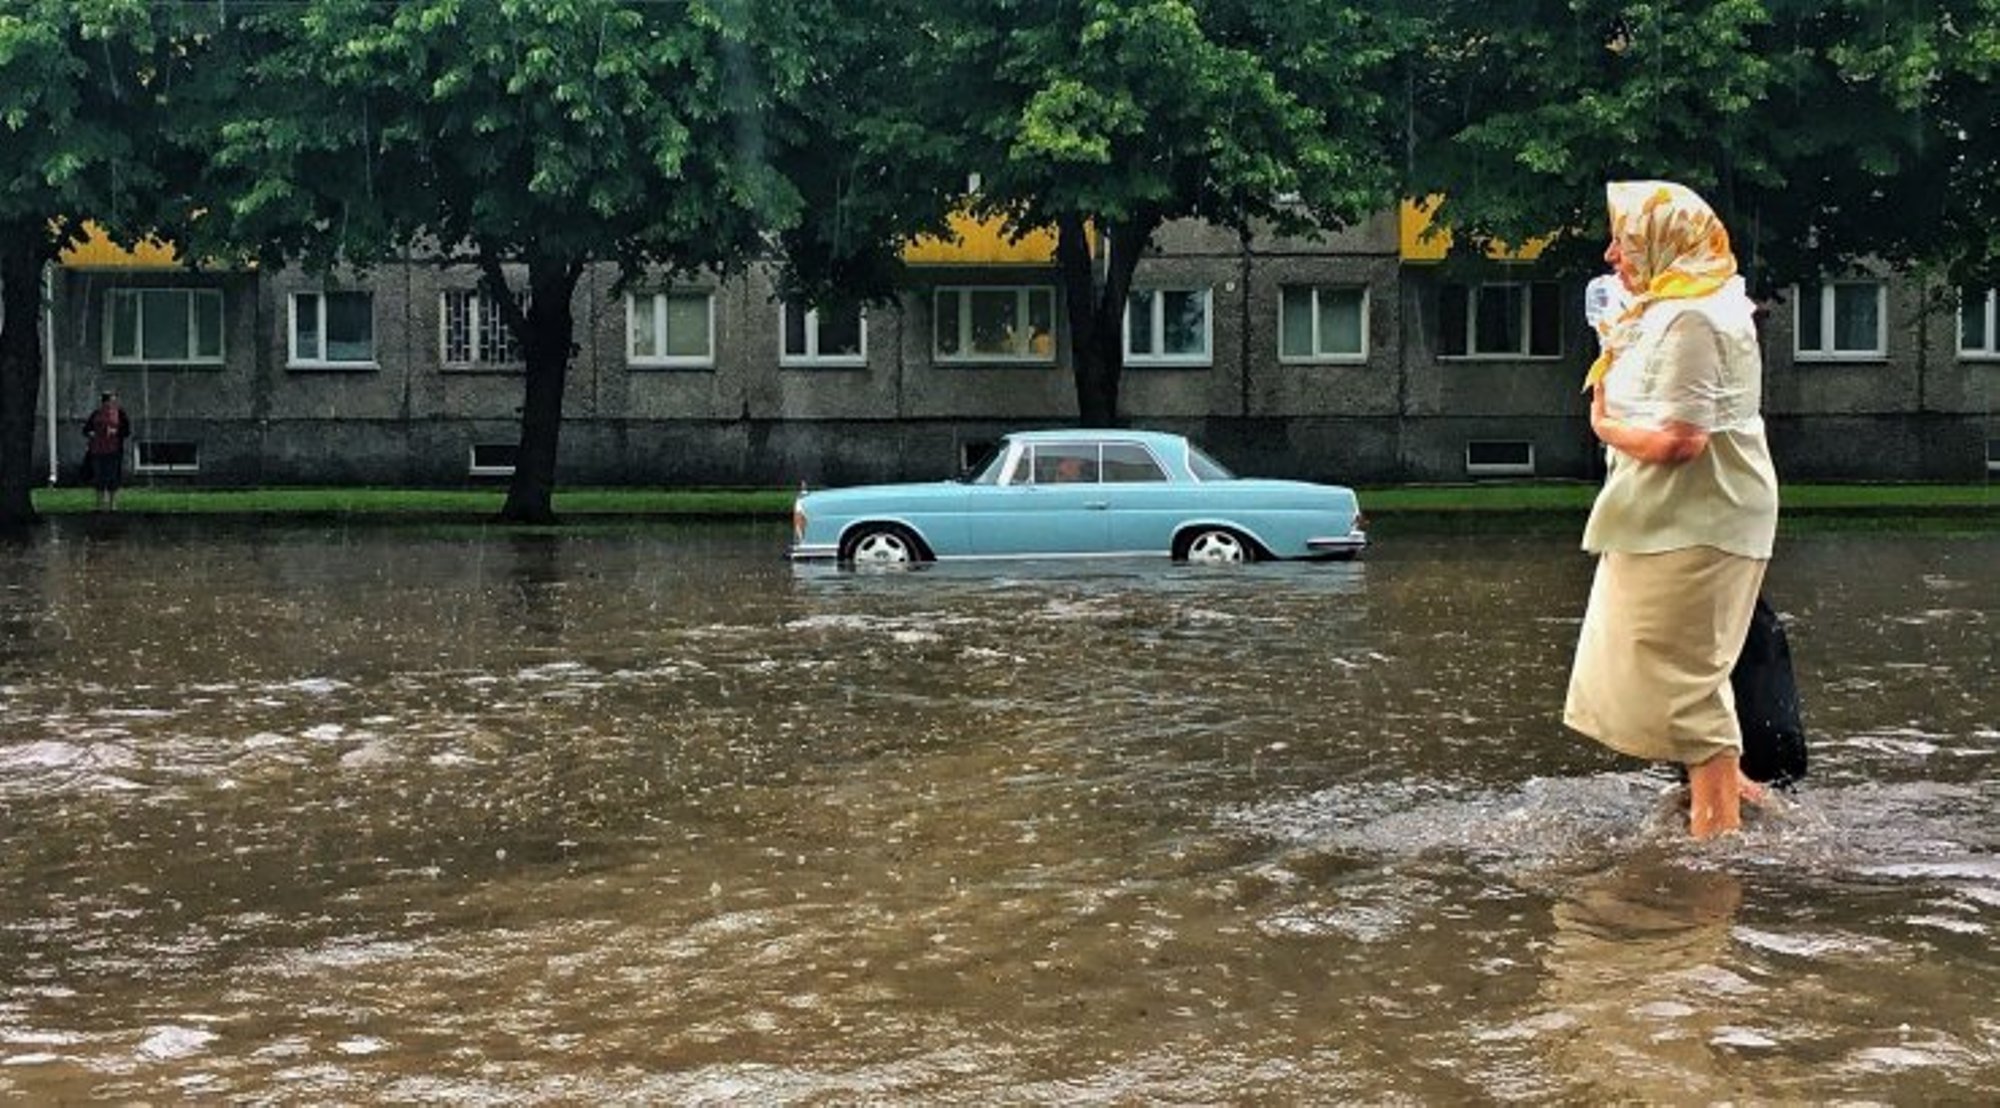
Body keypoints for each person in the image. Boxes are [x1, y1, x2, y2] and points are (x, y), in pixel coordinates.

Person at [1563, 181, 1780, 840]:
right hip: (1677, 516)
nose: (1610, 254)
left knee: (1681, 675)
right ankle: (1730, 787)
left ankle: (1716, 841)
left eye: (1623, 241)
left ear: (1666, 243)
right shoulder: (1684, 306)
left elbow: (1682, 441)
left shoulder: (1692, 317)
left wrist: (1603, 429)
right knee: (1653, 657)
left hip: (1698, 516)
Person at [81, 391, 132, 512]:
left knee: (112, 477)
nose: (112, 403)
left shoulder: (120, 414)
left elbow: (127, 431)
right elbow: (86, 429)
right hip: (97, 450)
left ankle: (113, 504)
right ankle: (99, 504)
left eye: (114, 401)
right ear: (104, 402)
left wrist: (116, 432)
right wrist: (91, 433)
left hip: (113, 450)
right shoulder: (96, 414)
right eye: (110, 401)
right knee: (99, 477)